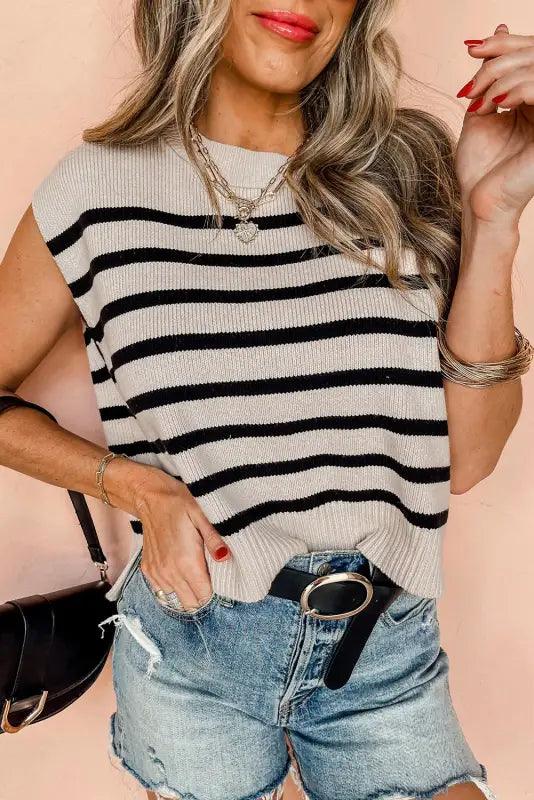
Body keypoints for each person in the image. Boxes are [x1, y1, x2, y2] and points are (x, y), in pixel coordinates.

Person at [2, 2, 533, 798]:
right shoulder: (94, 190)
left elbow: (467, 460)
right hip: (191, 645)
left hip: (383, 649)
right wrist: (137, 487)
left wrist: (495, 218)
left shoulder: (405, 170)